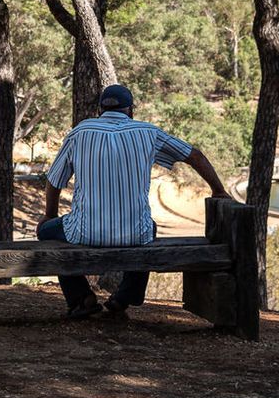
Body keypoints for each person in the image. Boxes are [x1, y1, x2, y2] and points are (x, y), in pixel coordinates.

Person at [38, 84, 229, 319]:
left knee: (45, 231)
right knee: (149, 229)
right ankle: (124, 298)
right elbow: (194, 156)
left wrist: (50, 214)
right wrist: (218, 190)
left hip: (83, 232)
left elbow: (55, 181)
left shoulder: (80, 132)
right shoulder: (148, 132)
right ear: (131, 111)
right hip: (135, 234)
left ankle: (81, 298)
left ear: (100, 110)